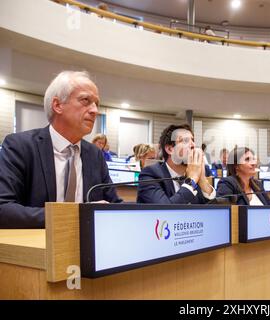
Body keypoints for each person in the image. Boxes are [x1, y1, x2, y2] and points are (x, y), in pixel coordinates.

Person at [0, 71, 121, 228]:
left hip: (88, 247)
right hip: (38, 246)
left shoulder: (95, 155)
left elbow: (114, 204)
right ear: (57, 105)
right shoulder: (20, 146)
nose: (95, 111)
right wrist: (74, 216)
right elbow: (3, 208)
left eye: (96, 104)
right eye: (86, 100)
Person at [137, 124, 215, 204]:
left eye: (193, 140)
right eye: (185, 141)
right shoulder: (150, 174)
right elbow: (165, 212)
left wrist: (202, 180)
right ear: (170, 149)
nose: (193, 145)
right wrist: (191, 181)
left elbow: (215, 213)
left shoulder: (198, 173)